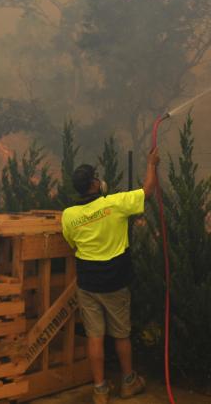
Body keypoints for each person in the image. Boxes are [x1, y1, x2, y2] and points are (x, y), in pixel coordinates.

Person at [61, 147, 159, 403]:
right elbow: (147, 191)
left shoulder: (68, 215)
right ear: (94, 183)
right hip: (115, 283)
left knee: (95, 336)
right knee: (121, 335)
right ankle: (128, 383)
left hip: (88, 285)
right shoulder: (114, 204)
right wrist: (152, 165)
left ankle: (100, 390)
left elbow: (72, 244)